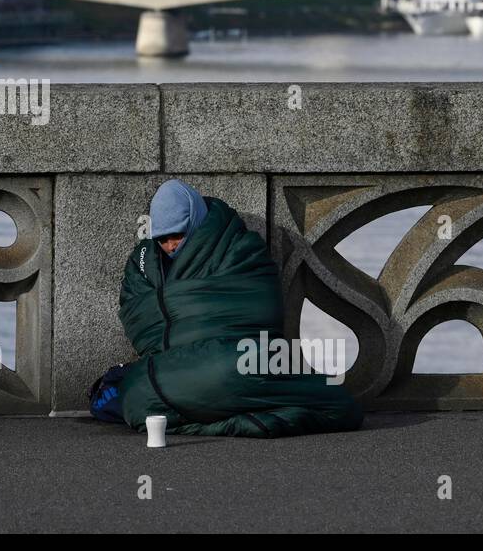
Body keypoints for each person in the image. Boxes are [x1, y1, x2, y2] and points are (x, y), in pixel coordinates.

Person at [87, 179, 364, 438]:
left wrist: (182, 303)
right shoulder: (143, 262)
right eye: (162, 238)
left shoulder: (239, 246)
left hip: (237, 356)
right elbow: (139, 313)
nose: (170, 245)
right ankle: (241, 421)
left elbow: (258, 304)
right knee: (138, 396)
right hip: (179, 368)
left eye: (178, 235)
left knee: (335, 402)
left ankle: (217, 411)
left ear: (195, 220)